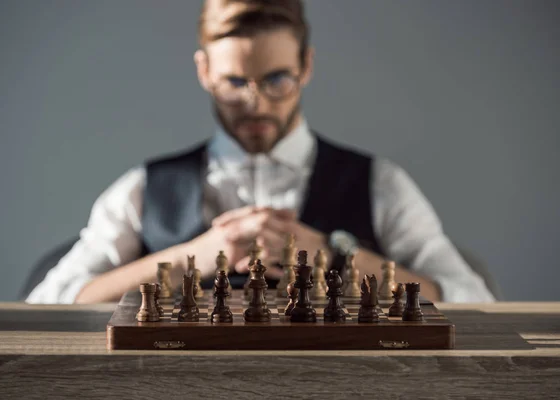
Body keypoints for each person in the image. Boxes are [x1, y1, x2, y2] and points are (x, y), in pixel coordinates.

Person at [26, 0, 494, 304]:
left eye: (277, 79)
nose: (256, 102)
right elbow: (50, 301)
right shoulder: (143, 188)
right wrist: (195, 255)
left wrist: (337, 254)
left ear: (306, 66)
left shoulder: (380, 182)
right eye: (234, 82)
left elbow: (472, 299)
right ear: (204, 71)